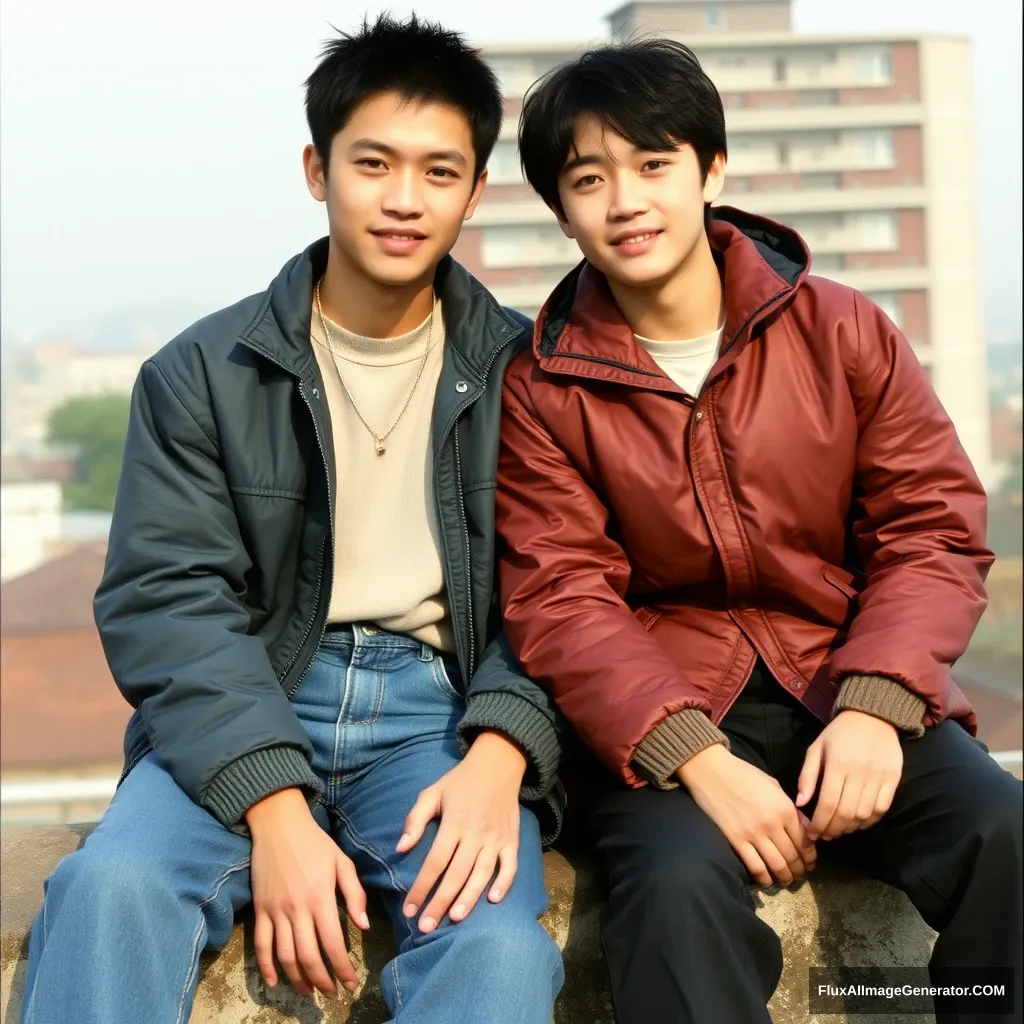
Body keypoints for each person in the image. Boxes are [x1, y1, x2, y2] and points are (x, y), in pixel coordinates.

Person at [20, 16, 565, 1024]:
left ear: (475, 192)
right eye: (374, 163)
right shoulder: (203, 370)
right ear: (318, 170)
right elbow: (166, 598)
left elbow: (568, 590)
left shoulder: (530, 375)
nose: (404, 199)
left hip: (439, 719)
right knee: (110, 891)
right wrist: (274, 807)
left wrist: (504, 752)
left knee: (495, 951)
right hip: (252, 689)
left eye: (439, 172)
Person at [494, 37, 1022, 1024]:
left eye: (654, 164)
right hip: (663, 718)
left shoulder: (841, 329)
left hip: (846, 674)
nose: (626, 200)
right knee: (675, 897)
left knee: (1006, 837)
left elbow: (930, 531)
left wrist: (874, 703)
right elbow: (561, 598)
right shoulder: (543, 384)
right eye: (589, 178)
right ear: (561, 210)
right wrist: (694, 757)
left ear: (711, 170)